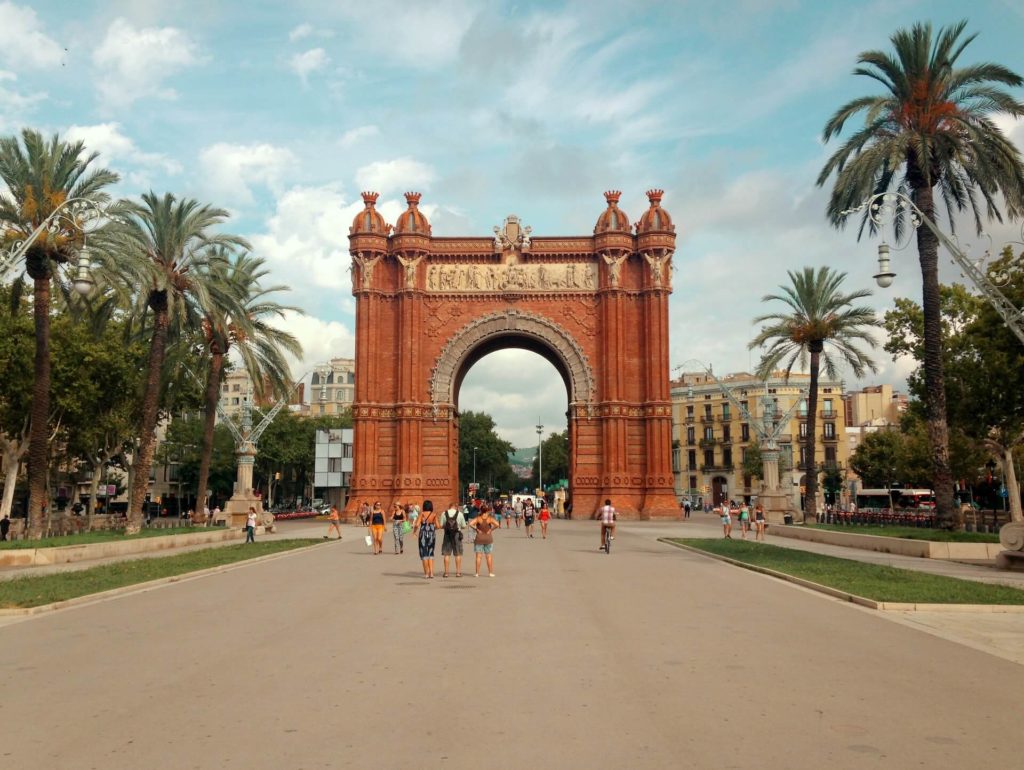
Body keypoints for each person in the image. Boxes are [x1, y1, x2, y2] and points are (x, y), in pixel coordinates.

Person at [470, 504, 499, 577]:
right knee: (488, 556)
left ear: (481, 510)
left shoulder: (478, 518)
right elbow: (497, 524)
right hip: (488, 538)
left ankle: (477, 573)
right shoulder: (490, 518)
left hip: (479, 538)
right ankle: (490, 573)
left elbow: (470, 524)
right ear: (487, 511)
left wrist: (477, 529)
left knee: (478, 556)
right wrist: (491, 529)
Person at [413, 500, 438, 578]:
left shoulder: (422, 514)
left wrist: (414, 532)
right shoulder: (434, 515)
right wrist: (432, 528)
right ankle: (432, 573)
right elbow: (438, 526)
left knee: (424, 553)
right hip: (431, 535)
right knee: (431, 552)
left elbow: (417, 525)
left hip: (423, 535)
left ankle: (426, 574)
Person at [439, 503, 466, 577]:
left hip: (447, 535)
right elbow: (464, 526)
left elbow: (441, 525)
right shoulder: (460, 514)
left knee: (447, 554)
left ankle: (446, 573)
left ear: (449, 507)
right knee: (458, 554)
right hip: (457, 535)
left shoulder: (444, 513)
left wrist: (447, 527)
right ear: (456, 507)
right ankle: (458, 572)